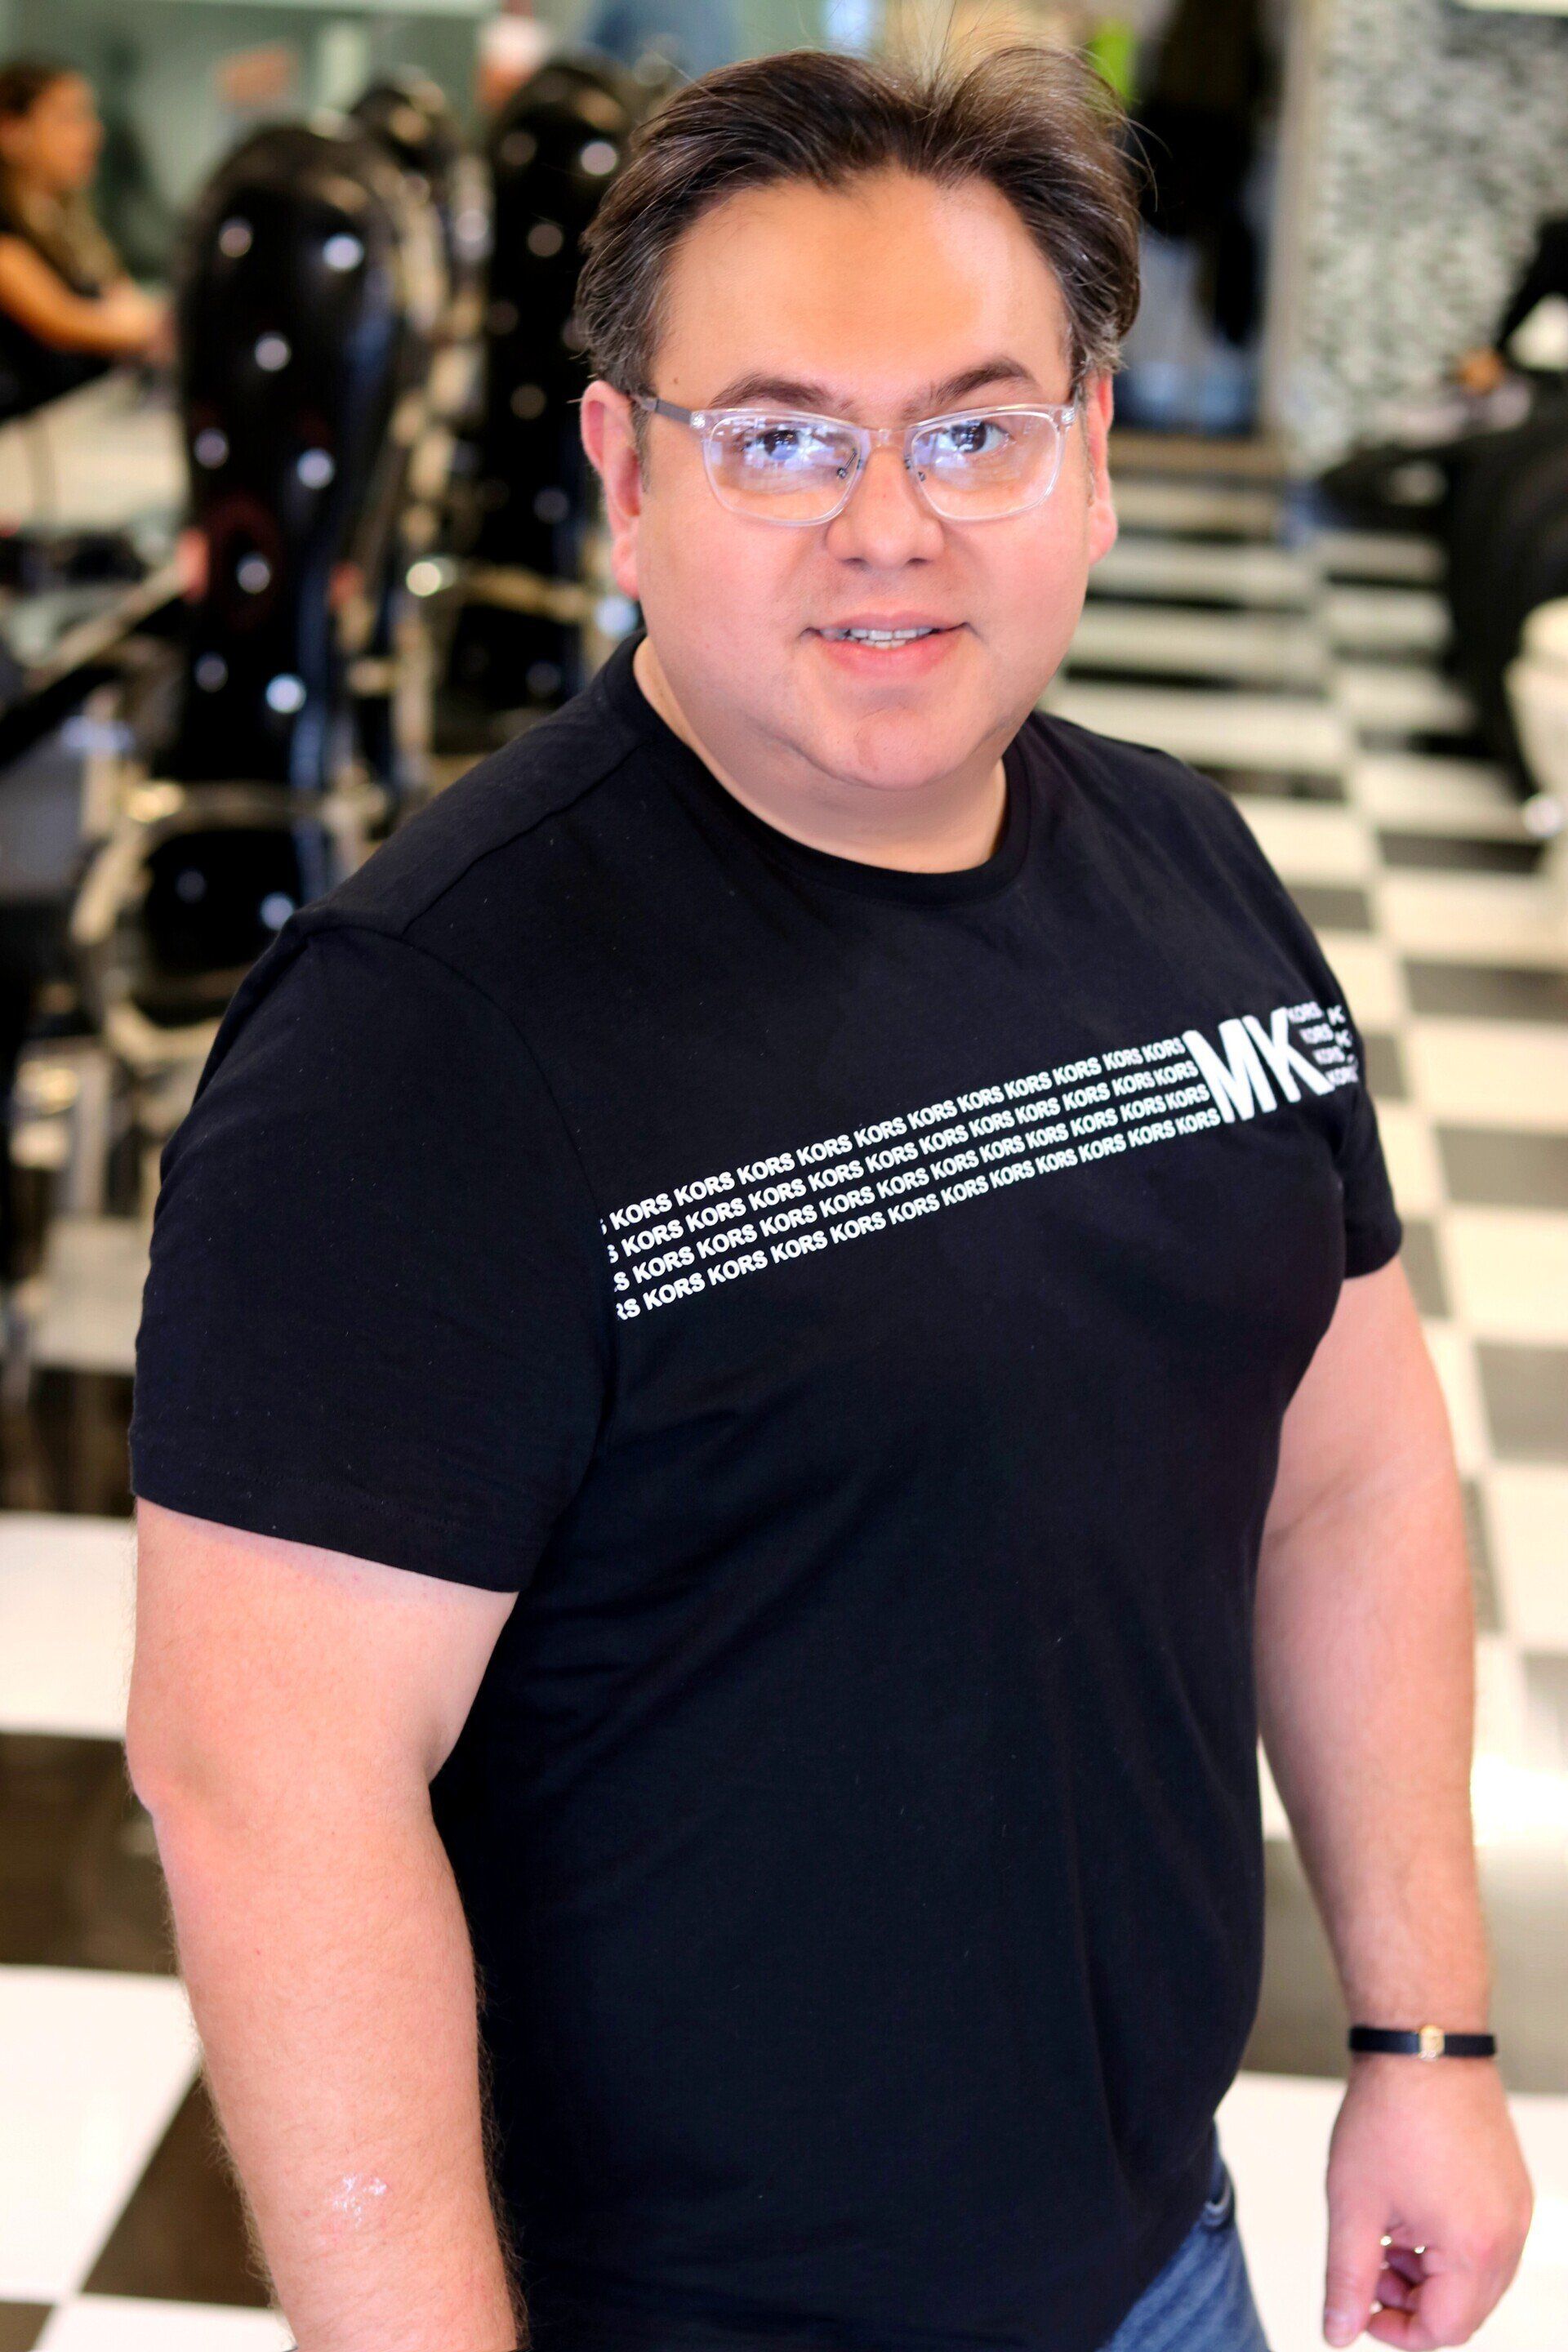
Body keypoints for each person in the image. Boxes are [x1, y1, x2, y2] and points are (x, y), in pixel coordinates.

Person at [124, 43, 1533, 2352]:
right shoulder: (425, 1040)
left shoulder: (1190, 873)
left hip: (1161, 2260)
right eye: (780, 434)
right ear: (623, 476)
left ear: (1090, 459)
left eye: (975, 427)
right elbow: (266, 1784)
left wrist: (1426, 2041)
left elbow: (1347, 1473)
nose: (889, 524)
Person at [0, 57, 164, 422]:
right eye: (68, 118)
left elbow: (125, 302)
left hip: (77, 425)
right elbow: (64, 321)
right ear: (11, 131)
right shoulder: (7, 231)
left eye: (89, 116)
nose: (93, 133)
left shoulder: (72, 223)